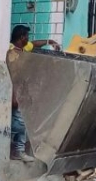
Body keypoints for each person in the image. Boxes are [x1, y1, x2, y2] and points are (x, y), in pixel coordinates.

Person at [9, 25, 60, 162]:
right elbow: (15, 76)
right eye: (27, 36)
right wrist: (15, 94)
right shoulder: (11, 52)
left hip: (24, 92)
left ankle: (18, 149)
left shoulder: (24, 48)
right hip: (16, 90)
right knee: (18, 123)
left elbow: (35, 44)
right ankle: (16, 149)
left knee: (22, 121)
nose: (28, 39)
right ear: (21, 37)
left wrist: (50, 41)